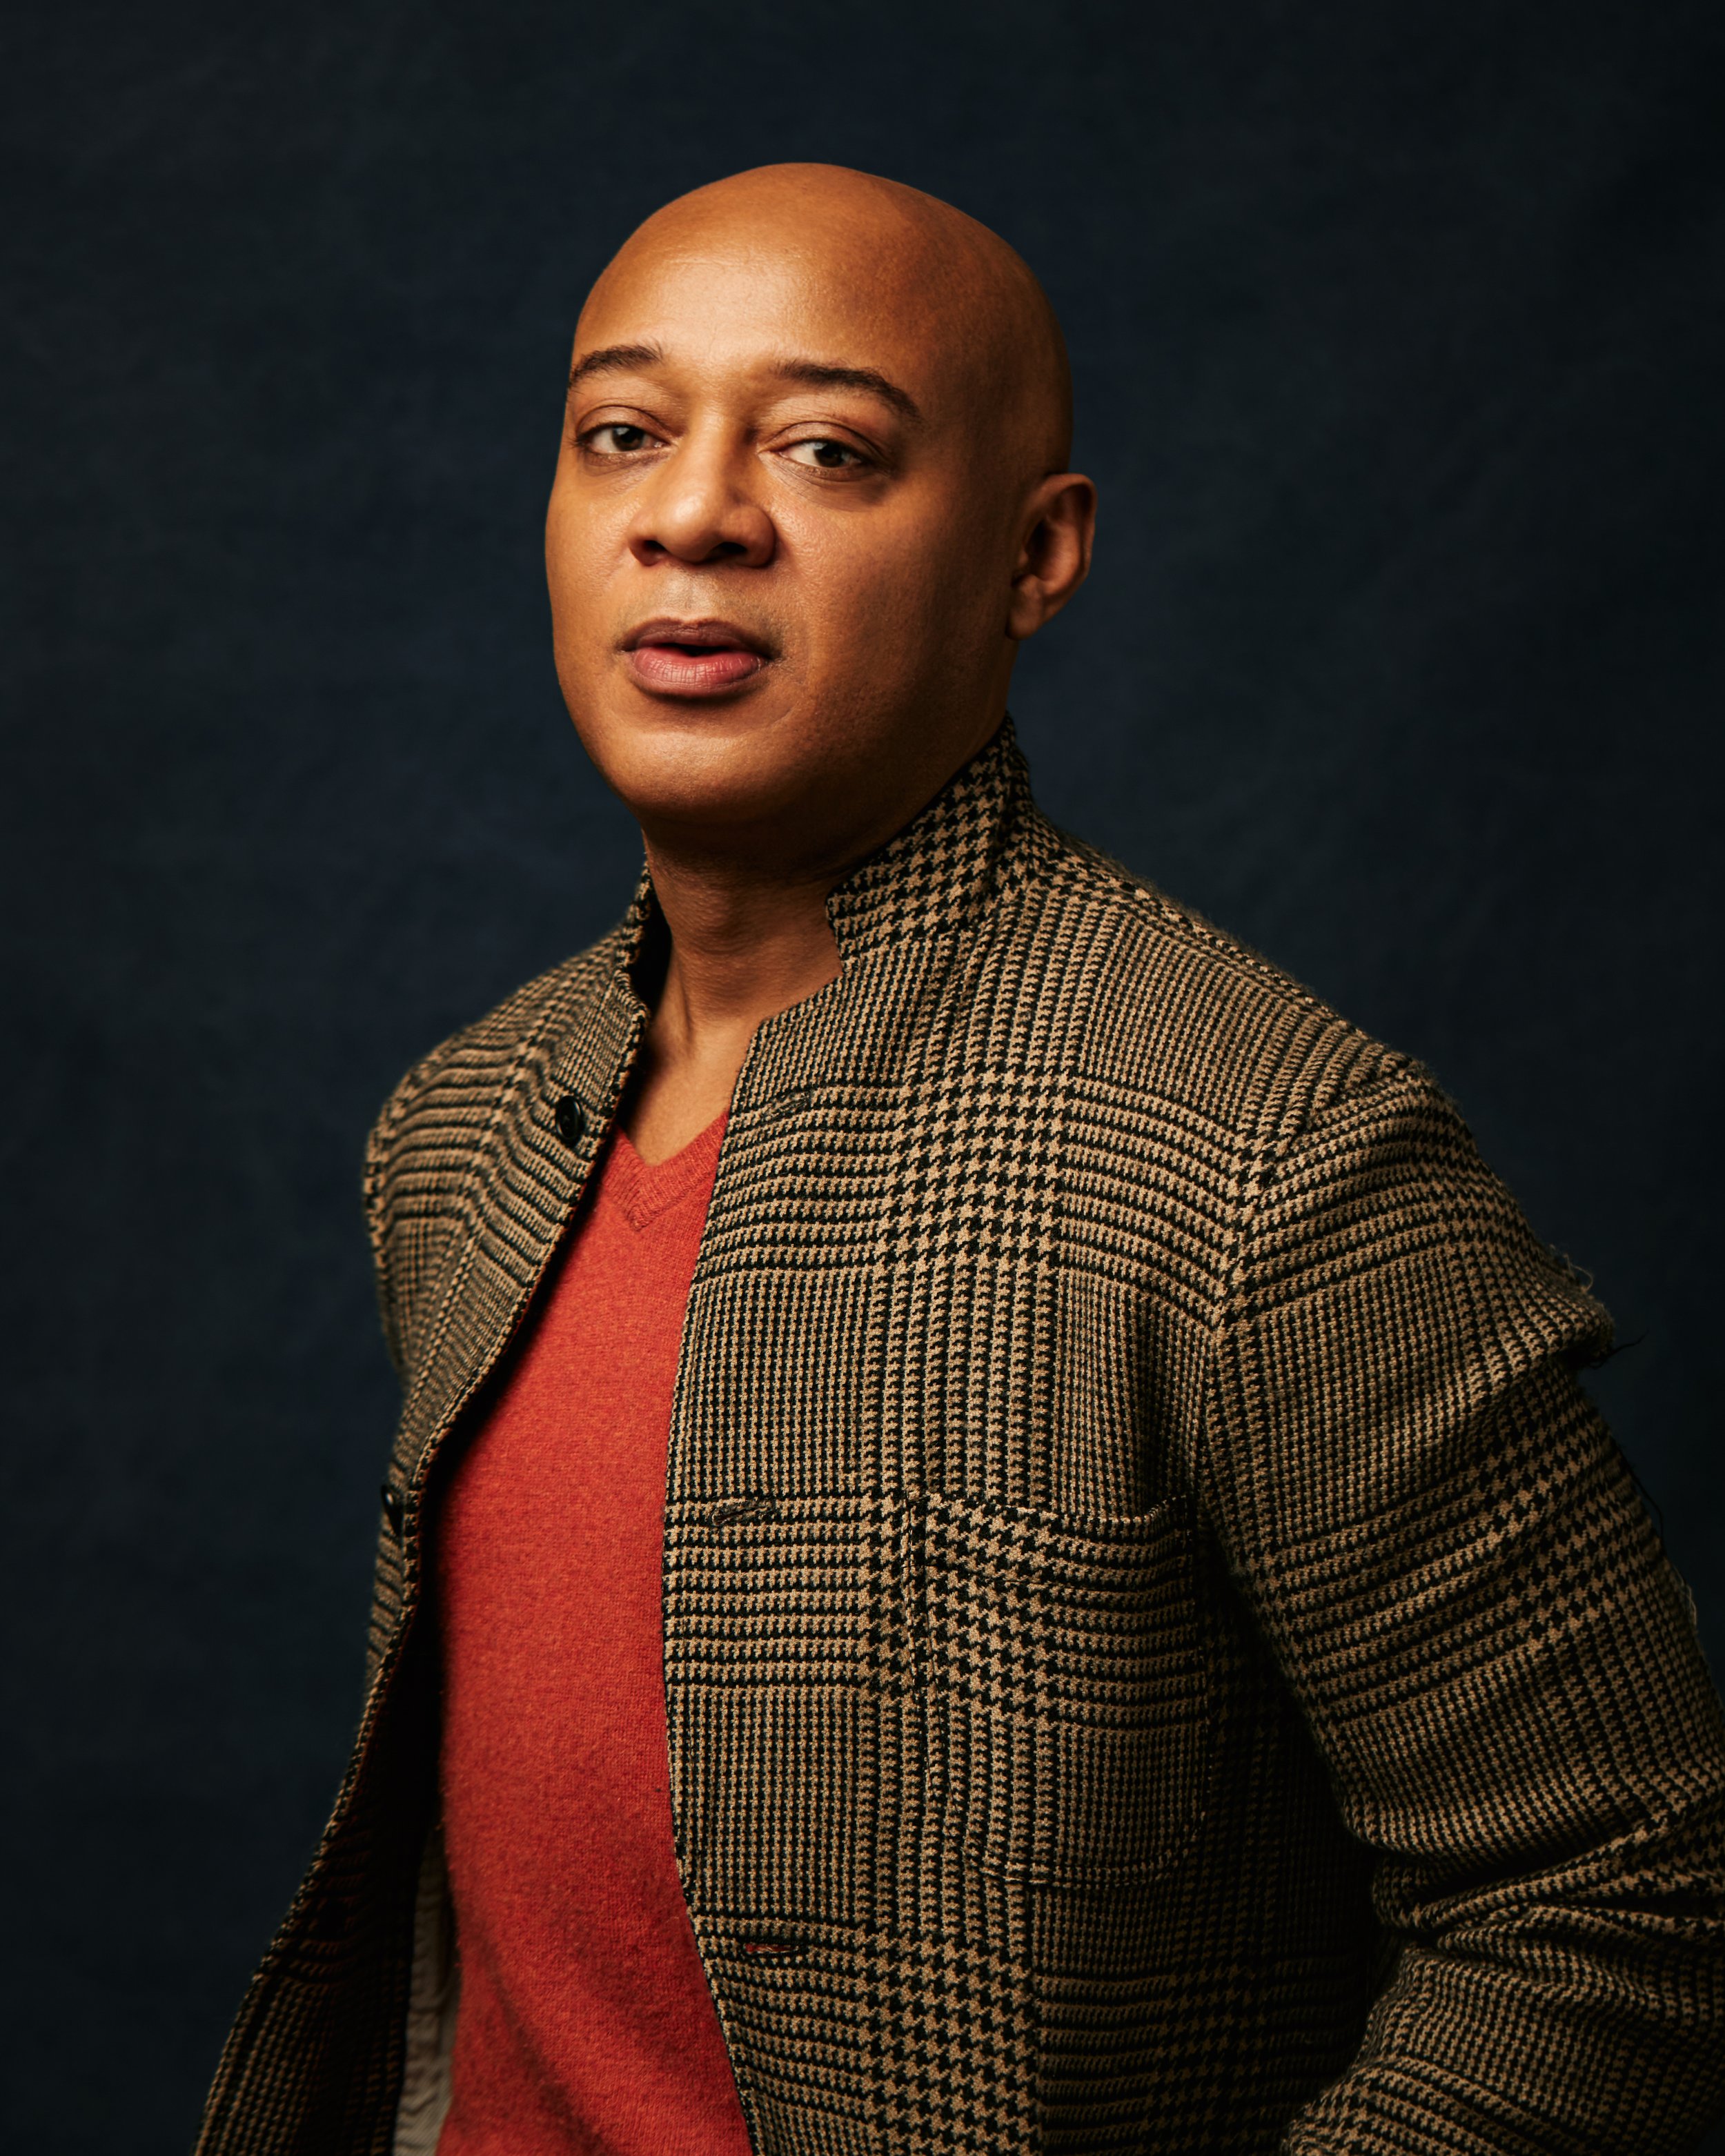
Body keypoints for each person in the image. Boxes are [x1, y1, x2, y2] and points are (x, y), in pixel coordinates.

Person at [195, 164, 1725, 2156]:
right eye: (621, 433)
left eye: (827, 449)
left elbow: (1628, 1907)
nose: (694, 515)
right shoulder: (470, 1122)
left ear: (1033, 553)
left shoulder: (1269, 1160)